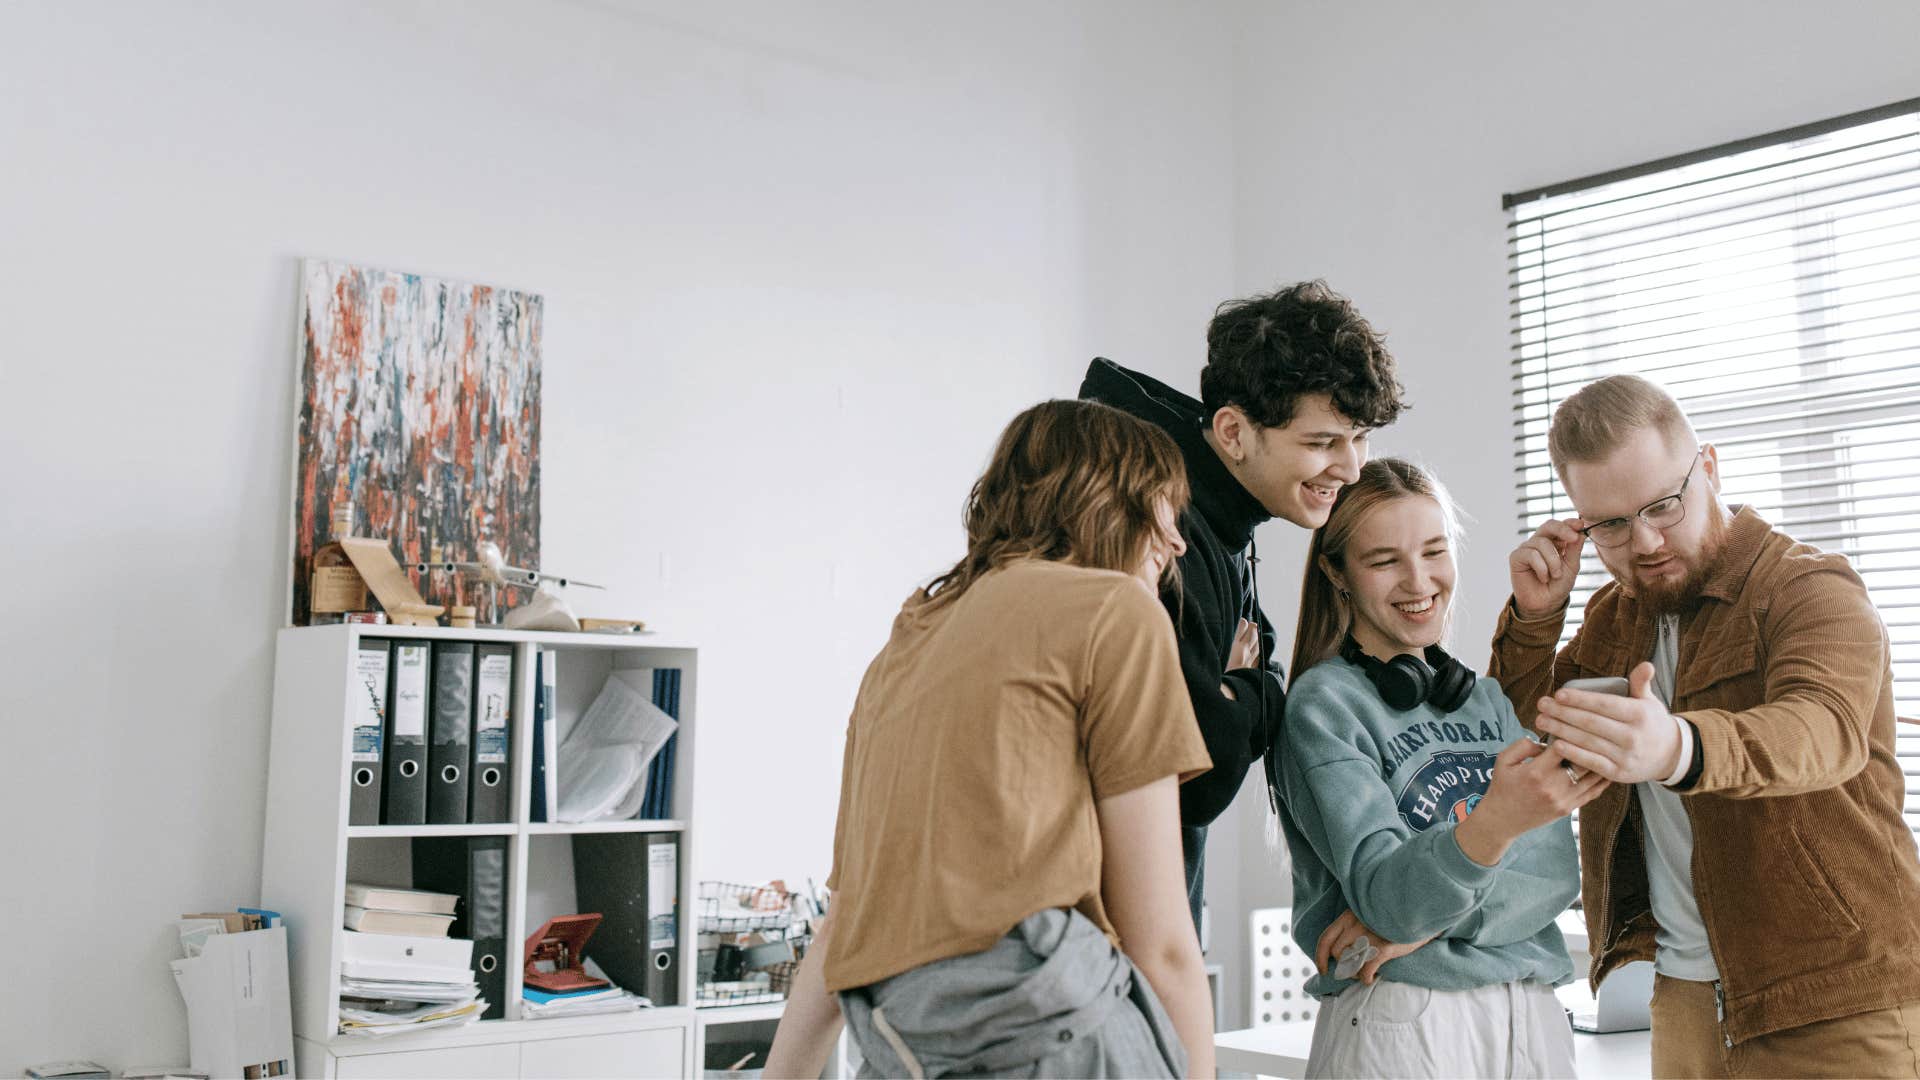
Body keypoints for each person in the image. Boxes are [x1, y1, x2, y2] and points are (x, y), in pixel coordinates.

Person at [765, 399, 1216, 1079]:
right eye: (1164, 508)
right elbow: (1162, 942)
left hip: (905, 1049)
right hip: (1057, 1037)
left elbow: (843, 924)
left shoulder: (902, 650)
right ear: (1108, 499)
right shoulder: (1115, 613)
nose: (1176, 542)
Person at [1493, 374, 1920, 1078]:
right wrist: (1536, 620)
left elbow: (1822, 729)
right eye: (1612, 525)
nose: (1646, 540)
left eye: (1664, 504)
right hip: (1684, 1000)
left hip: (1839, 998)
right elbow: (1524, 740)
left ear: (1710, 469)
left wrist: (1679, 746)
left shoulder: (1808, 589)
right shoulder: (1615, 616)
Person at [1080, 280, 1407, 931]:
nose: (1350, 467)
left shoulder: (1220, 520)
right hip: (1107, 936)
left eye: (1359, 437)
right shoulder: (1165, 530)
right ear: (1233, 432)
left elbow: (1237, 691)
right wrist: (1252, 689)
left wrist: (1240, 687)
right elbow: (1197, 772)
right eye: (1321, 443)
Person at [1276, 457, 1598, 1079]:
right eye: (1383, 560)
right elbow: (1388, 899)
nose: (1418, 580)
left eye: (1433, 551)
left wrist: (1428, 927)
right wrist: (1494, 830)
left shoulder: (1484, 699)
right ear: (1336, 574)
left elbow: (1555, 876)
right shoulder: (1324, 706)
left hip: (1531, 1014)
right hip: (1405, 1021)